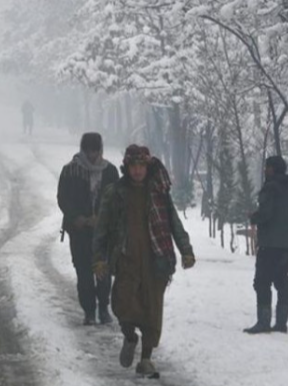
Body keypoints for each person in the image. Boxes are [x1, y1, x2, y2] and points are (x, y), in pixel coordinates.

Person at [92, 144, 195, 377]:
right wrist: (99, 259)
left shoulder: (158, 192)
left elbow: (174, 223)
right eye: (133, 166)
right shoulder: (115, 192)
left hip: (156, 260)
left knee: (152, 310)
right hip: (126, 260)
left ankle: (146, 359)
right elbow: (102, 229)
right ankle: (129, 336)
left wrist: (186, 250)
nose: (137, 171)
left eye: (141, 166)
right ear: (126, 167)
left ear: (147, 167)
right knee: (122, 303)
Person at [58, 133, 119, 325]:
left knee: (104, 272)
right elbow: (63, 198)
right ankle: (89, 311)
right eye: (88, 151)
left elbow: (117, 199)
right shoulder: (70, 171)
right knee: (84, 272)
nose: (92, 155)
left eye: (95, 150)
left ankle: (103, 307)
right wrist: (77, 218)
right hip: (79, 231)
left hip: (104, 232)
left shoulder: (110, 171)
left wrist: (103, 218)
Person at [244, 155, 288, 334]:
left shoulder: (270, 189)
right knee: (282, 281)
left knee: (262, 281)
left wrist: (254, 217)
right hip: (285, 244)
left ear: (273, 169)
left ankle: (263, 322)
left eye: (267, 167)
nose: (265, 170)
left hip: (269, 244)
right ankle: (281, 323)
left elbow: (266, 214)